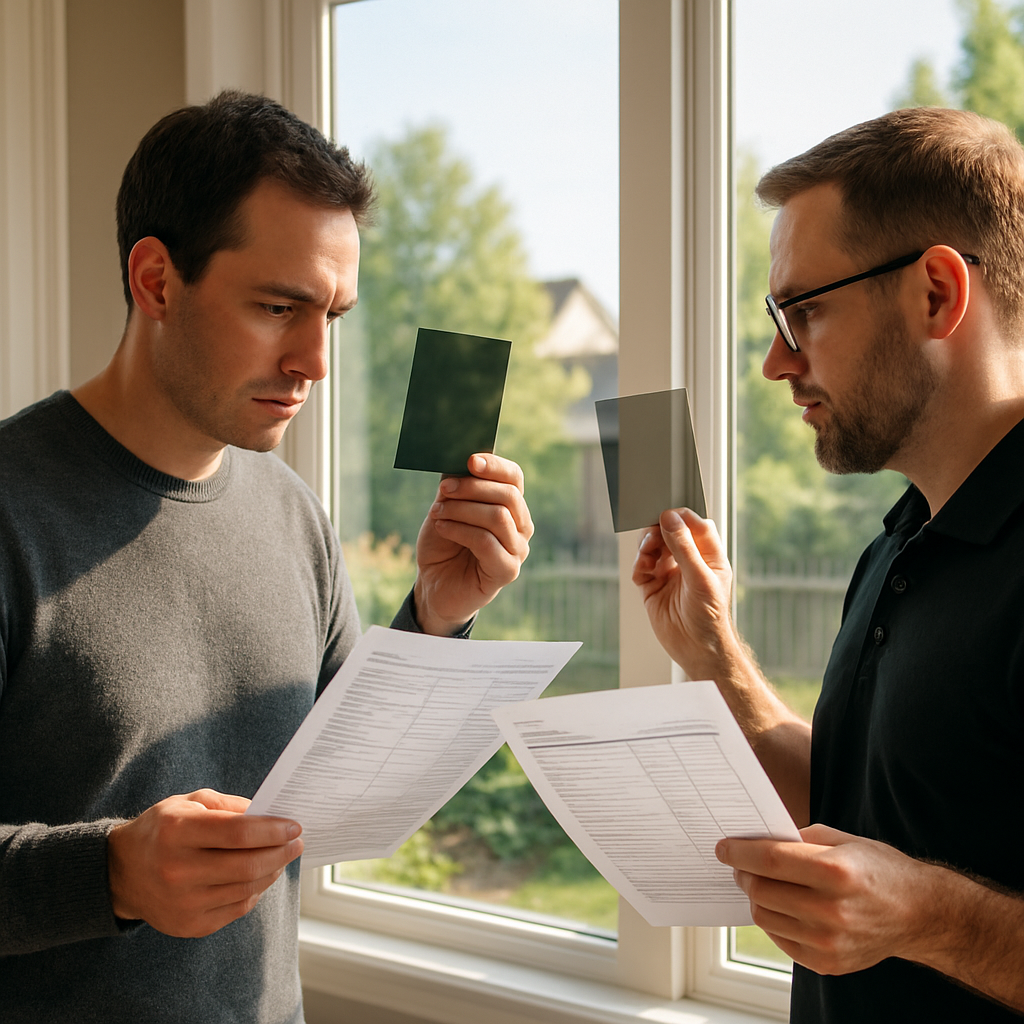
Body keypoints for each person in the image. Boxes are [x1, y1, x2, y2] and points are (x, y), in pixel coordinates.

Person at [0, 91, 533, 1023]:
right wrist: (111, 873)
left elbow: (350, 786)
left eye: (333, 315)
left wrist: (438, 614)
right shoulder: (12, 510)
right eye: (279, 306)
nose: (314, 361)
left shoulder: (294, 515)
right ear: (156, 281)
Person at [633, 107, 1024, 1022]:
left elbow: (907, 897)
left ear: (937, 293)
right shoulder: (898, 545)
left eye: (804, 312)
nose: (777, 363)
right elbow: (866, 809)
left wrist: (928, 917)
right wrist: (715, 658)